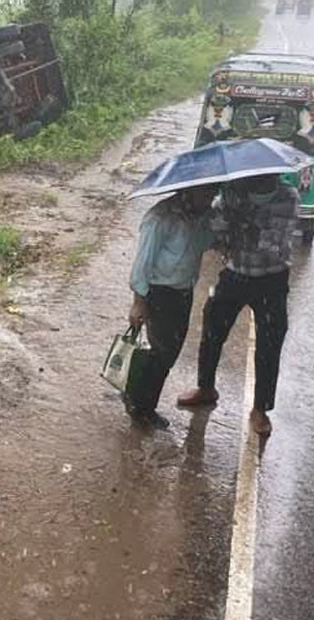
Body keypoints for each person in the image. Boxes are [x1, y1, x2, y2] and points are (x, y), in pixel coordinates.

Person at [177, 175, 300, 437]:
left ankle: (260, 409)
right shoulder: (231, 193)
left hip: (272, 279)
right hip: (235, 274)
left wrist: (242, 225)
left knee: (270, 343)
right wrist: (226, 229)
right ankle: (205, 387)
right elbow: (217, 232)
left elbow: (274, 245)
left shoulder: (288, 197)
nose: (253, 181)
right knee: (212, 328)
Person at [126, 185, 219, 429]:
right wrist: (138, 303)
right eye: (205, 194)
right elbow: (142, 263)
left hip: (183, 291)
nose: (209, 199)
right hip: (160, 293)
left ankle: (136, 396)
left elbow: (208, 242)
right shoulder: (160, 217)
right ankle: (142, 409)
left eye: (211, 195)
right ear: (189, 190)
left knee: (169, 351)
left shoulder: (202, 216)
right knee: (162, 353)